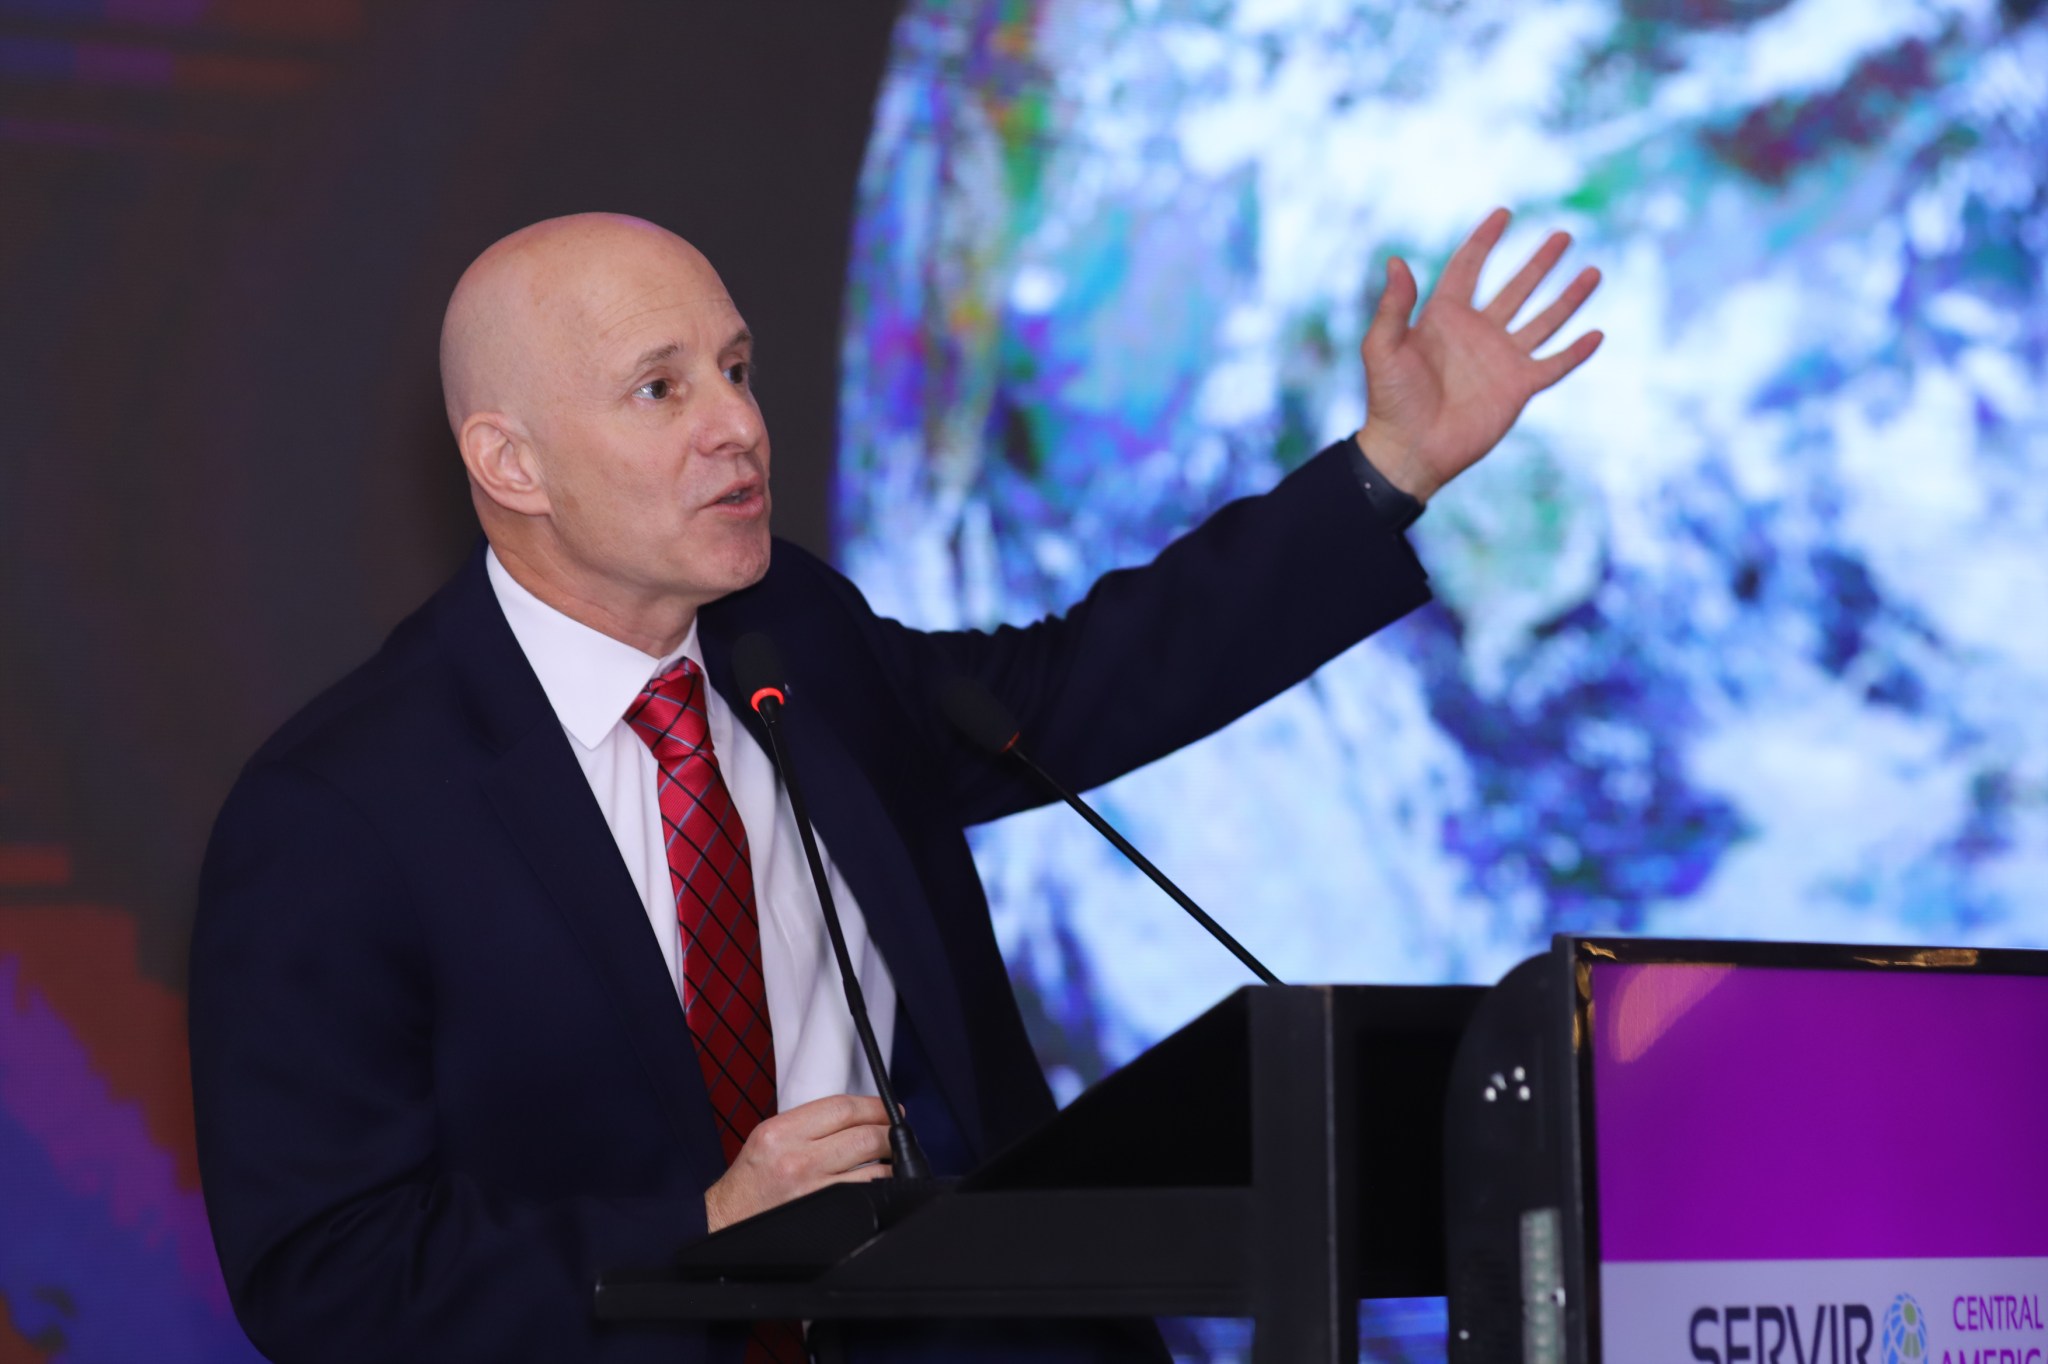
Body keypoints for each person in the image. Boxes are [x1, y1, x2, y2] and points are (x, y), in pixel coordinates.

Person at [188, 211, 1600, 1364]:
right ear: (510, 461)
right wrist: (702, 1226)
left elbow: (1082, 687)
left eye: (737, 370)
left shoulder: (794, 635)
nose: (737, 426)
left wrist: (1393, 467)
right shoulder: (342, 814)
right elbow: (328, 1271)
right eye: (660, 389)